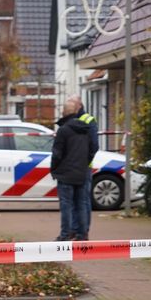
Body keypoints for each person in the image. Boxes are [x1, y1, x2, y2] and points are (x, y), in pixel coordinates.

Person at [52, 97, 98, 241]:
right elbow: (93, 147)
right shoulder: (85, 129)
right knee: (82, 203)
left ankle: (65, 234)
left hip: (66, 174)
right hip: (82, 171)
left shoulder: (63, 130)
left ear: (64, 112)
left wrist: (54, 169)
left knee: (66, 205)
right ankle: (82, 234)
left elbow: (57, 153)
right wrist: (85, 162)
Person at [66, 94, 99, 239]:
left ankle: (82, 231)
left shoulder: (88, 120)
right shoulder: (69, 120)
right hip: (72, 167)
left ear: (78, 105)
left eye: (71, 104)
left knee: (83, 200)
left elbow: (94, 145)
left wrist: (84, 161)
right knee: (74, 200)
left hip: (83, 167)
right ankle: (74, 229)